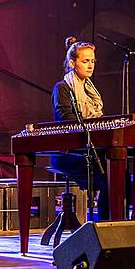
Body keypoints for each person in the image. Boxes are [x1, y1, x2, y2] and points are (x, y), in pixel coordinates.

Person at [51, 37, 109, 220]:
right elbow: (67, 121)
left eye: (92, 61)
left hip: (90, 148)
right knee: (110, 178)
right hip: (69, 153)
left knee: (121, 174)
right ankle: (104, 228)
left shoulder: (91, 91)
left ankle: (120, 226)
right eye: (85, 61)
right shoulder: (62, 88)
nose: (90, 65)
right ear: (72, 63)